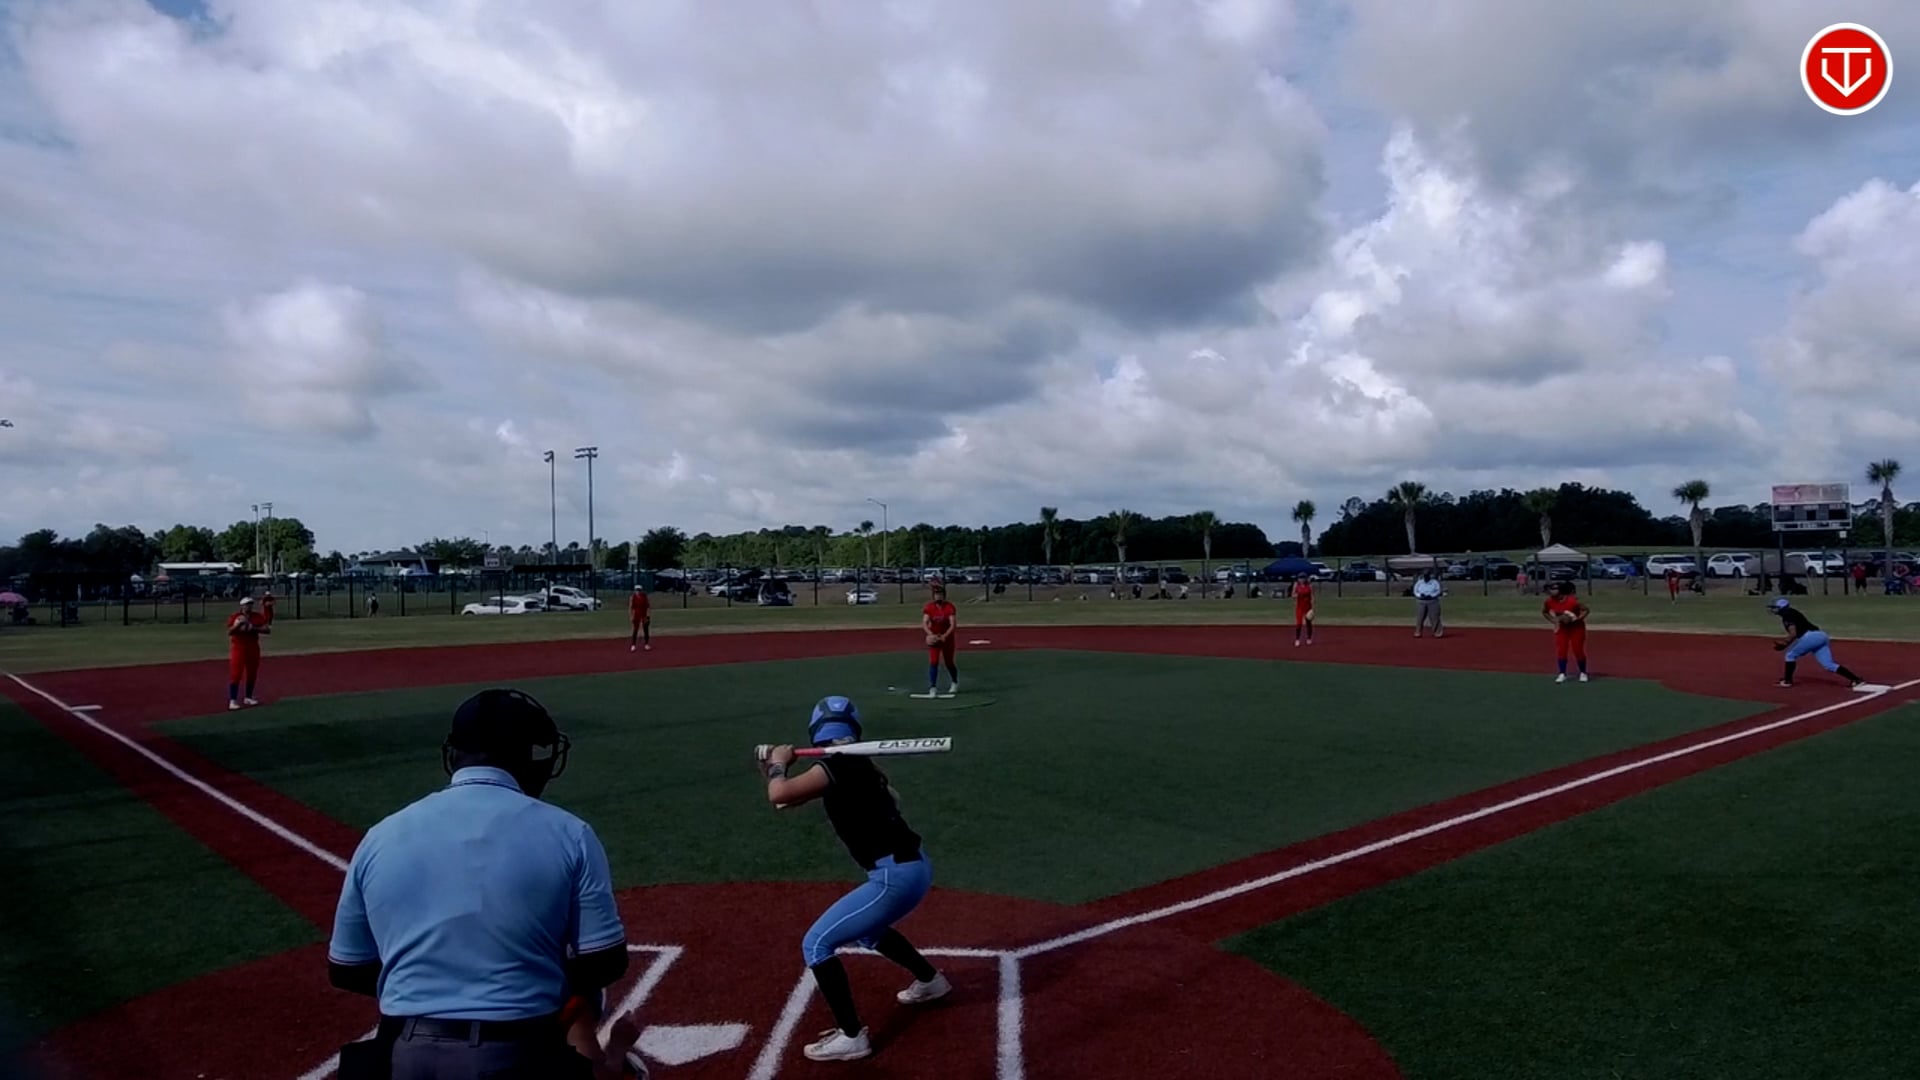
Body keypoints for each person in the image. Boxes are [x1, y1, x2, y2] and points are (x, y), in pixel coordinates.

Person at [325, 688, 639, 1079]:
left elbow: (347, 968)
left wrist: (436, 985)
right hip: (518, 1051)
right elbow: (605, 961)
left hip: (401, 1053)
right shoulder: (569, 833)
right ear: (526, 756)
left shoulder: (380, 836)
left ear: (454, 755)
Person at [758, 697, 948, 1063]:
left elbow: (779, 792)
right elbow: (783, 801)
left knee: (816, 944)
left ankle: (851, 1037)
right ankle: (930, 981)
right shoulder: (853, 763)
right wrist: (772, 768)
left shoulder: (837, 765)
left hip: (894, 877)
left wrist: (779, 765)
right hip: (912, 869)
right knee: (869, 932)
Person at [1768, 598, 1868, 689]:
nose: (1773, 610)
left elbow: (1793, 633)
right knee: (1829, 665)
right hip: (1821, 636)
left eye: (1775, 608)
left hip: (1810, 637)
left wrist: (1784, 643)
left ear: (1782, 608)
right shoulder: (1792, 612)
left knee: (1790, 655)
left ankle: (1787, 681)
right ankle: (1856, 679)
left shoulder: (1787, 615)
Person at [226, 596, 271, 710]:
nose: (249, 606)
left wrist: (253, 628)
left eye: (250, 604)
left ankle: (248, 697)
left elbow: (267, 629)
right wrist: (238, 625)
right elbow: (230, 632)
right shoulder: (235, 617)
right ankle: (233, 700)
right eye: (247, 604)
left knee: (252, 673)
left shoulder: (257, 616)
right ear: (242, 606)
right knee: (236, 673)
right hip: (238, 647)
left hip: (253, 647)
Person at [1541, 580, 1589, 683]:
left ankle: (1583, 672)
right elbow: (1545, 612)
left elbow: (1586, 609)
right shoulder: (1549, 602)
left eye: (1553, 589)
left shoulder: (1572, 601)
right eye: (1550, 589)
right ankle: (1562, 673)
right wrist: (1554, 621)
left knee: (1577, 649)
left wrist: (1578, 619)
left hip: (1576, 628)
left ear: (1560, 590)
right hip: (1563, 628)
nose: (1550, 591)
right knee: (1561, 649)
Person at [920, 581, 959, 697]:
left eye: (940, 594)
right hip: (935, 637)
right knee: (934, 661)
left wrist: (944, 636)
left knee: (949, 662)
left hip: (947, 638)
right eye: (936, 594)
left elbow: (952, 624)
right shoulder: (929, 607)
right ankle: (933, 687)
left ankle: (954, 682)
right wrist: (930, 634)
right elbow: (924, 622)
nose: (938, 596)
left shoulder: (949, 607)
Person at [1412, 570, 1444, 638]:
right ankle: (1418, 632)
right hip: (1421, 601)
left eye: (1427, 575)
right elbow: (1415, 591)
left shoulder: (1434, 582)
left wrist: (1432, 595)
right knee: (1420, 617)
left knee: (1434, 617)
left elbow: (1438, 591)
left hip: (1432, 601)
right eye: (1425, 575)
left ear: (1430, 575)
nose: (1426, 576)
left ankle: (1437, 632)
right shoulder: (1419, 582)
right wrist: (1420, 595)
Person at [1291, 573, 1314, 647]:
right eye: (1300, 578)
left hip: (1308, 607)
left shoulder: (1309, 585)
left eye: (1303, 578)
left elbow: (1312, 596)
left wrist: (1312, 608)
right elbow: (1293, 595)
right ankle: (1297, 639)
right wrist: (1296, 595)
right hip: (1300, 607)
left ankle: (1309, 638)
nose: (1301, 580)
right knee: (1299, 623)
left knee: (1308, 622)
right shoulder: (1296, 585)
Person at [628, 585, 651, 652]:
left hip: (644, 614)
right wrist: (631, 616)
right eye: (637, 590)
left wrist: (648, 616)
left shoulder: (644, 596)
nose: (638, 591)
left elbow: (648, 606)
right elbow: (631, 608)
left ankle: (646, 644)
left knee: (645, 629)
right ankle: (633, 645)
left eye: (639, 590)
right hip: (637, 614)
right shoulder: (633, 597)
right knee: (635, 629)